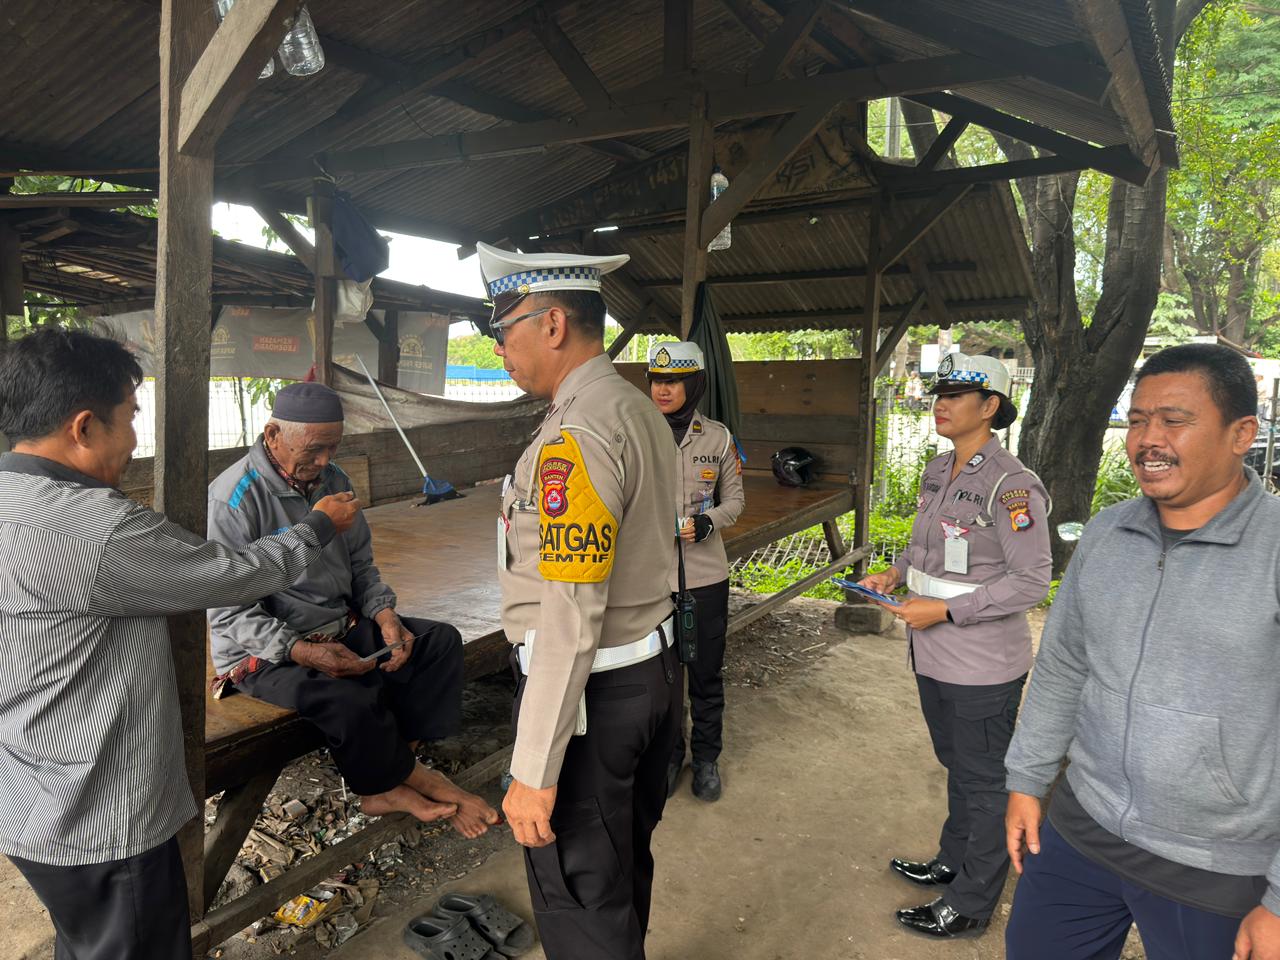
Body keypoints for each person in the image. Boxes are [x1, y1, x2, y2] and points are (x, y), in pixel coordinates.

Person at [0, 328, 361, 960]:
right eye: (129, 418)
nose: (134, 439)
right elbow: (232, 576)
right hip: (102, 811)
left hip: (26, 793)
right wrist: (317, 526)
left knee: (88, 942)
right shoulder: (95, 528)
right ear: (84, 427)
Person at [1004, 343, 1280, 960]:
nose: (1149, 440)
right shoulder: (1108, 532)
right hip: (1083, 826)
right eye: (1137, 420)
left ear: (1241, 434)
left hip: (1216, 864)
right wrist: (1027, 779)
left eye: (1174, 420)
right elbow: (1065, 666)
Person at [478, 242, 680, 960]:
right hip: (648, 675)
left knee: (582, 893)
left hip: (594, 697)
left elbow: (570, 611)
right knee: (620, 869)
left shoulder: (577, 432)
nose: (499, 348)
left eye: (504, 329)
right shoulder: (631, 407)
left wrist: (535, 768)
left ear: (553, 324)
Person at [206, 383, 497, 837]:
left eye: (334, 447)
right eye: (314, 449)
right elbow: (228, 612)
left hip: (339, 625)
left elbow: (361, 564)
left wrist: (384, 615)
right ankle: (414, 782)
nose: (325, 461)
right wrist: (303, 651)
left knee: (438, 643)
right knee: (347, 697)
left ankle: (393, 771)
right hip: (266, 651)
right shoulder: (233, 499)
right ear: (273, 435)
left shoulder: (336, 481)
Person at [859, 351, 1052, 938]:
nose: (940, 404)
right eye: (938, 393)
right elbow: (927, 549)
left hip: (982, 665)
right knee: (958, 765)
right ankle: (954, 859)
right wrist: (894, 573)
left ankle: (969, 903)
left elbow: (1032, 581)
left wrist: (945, 609)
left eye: (955, 395)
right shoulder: (938, 470)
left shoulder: (1012, 486)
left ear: (990, 406)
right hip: (932, 654)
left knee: (985, 780)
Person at [646, 340, 745, 802]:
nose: (662, 389)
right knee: (663, 678)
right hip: (650, 580)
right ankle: (670, 756)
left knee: (705, 674)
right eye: (656, 380)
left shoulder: (718, 438)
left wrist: (707, 522)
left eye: (674, 380)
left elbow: (735, 502)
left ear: (695, 383)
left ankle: (706, 759)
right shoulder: (636, 433)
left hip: (705, 578)